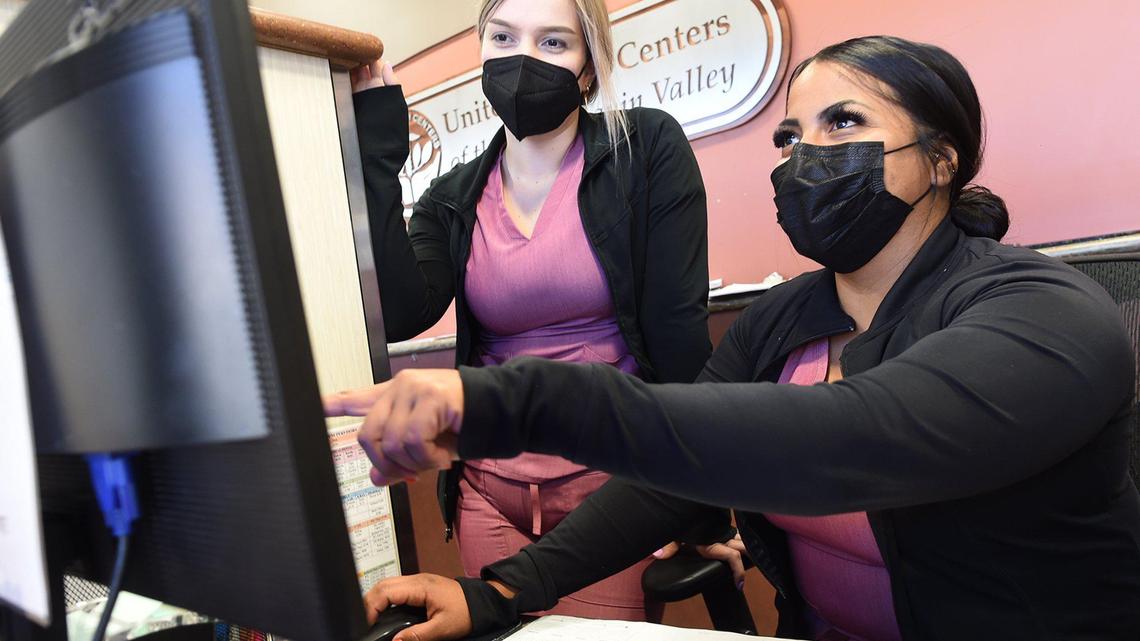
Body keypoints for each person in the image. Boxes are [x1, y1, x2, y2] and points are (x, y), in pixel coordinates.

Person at [329, 35, 1140, 641]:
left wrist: (519, 399)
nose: (802, 157)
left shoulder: (1042, 310)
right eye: (789, 137)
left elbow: (857, 440)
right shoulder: (782, 323)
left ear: (940, 159)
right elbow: (671, 483)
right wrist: (502, 593)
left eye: (843, 122)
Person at [349, 0, 713, 622]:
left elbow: (680, 335)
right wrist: (377, 160)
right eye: (503, 36)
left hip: (612, 486)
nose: (522, 59)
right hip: (486, 491)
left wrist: (696, 500)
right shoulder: (455, 197)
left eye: (553, 43)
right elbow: (404, 313)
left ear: (589, 67)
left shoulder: (644, 148)